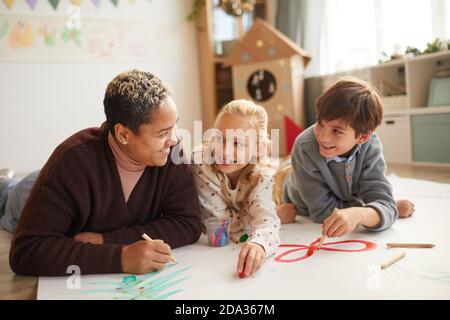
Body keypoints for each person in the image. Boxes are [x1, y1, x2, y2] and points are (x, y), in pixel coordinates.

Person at [8, 70, 202, 276]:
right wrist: (120, 258)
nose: (173, 139)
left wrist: (107, 241)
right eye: (162, 133)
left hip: (56, 190)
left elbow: (188, 223)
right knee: (9, 194)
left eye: (174, 126)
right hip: (25, 195)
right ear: (123, 134)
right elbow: (27, 251)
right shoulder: (71, 163)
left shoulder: (172, 153)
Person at [279, 78, 414, 237]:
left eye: (336, 131)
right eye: (320, 123)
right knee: (276, 178)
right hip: (298, 199)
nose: (323, 137)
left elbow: (385, 204)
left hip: (347, 197)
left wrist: (360, 213)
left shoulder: (370, 145)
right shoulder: (305, 146)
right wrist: (370, 210)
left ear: (362, 137)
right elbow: (322, 212)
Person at [191, 99, 281, 278]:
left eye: (237, 144)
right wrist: (255, 216)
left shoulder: (262, 173)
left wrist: (260, 244)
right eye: (218, 139)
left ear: (258, 148)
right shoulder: (202, 162)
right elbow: (220, 224)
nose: (224, 152)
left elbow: (266, 221)